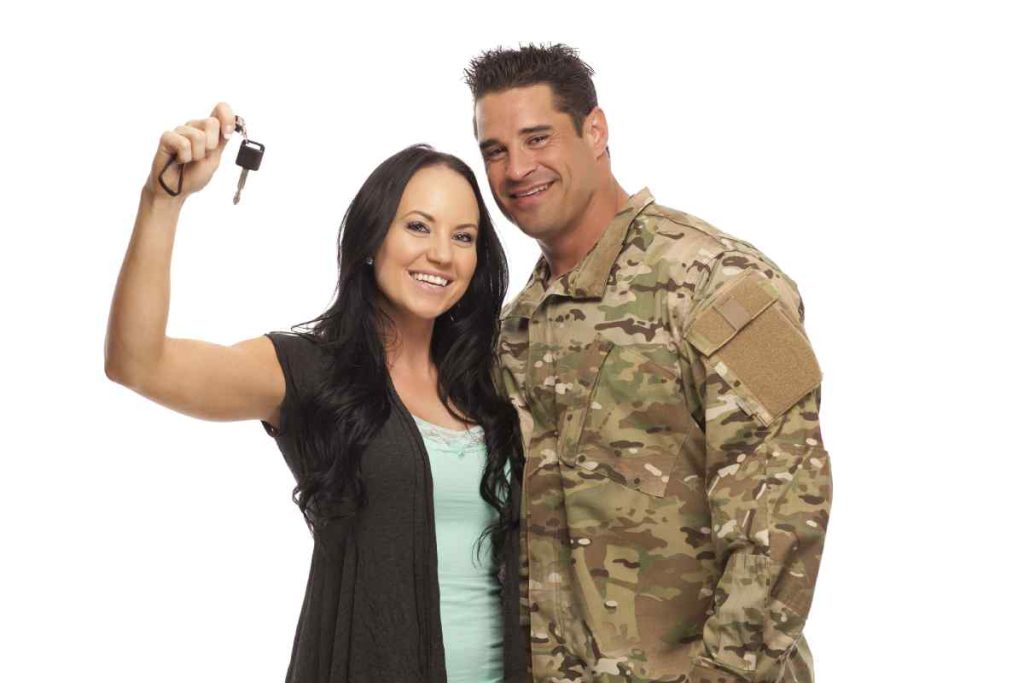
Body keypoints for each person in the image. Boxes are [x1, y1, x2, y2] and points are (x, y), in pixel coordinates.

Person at [104, 103, 524, 682]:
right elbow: (137, 362)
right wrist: (162, 200)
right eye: (418, 226)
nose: (442, 255)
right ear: (373, 238)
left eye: (464, 236)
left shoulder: (493, 381)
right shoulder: (311, 370)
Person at [464, 45, 832, 682]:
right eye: (495, 150)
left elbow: (787, 513)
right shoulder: (519, 324)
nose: (517, 168)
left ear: (596, 131)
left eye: (538, 138)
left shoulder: (727, 283)